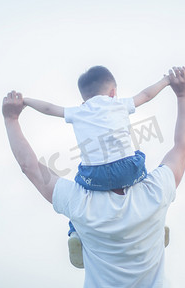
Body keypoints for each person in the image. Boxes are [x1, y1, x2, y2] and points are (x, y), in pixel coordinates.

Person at [2, 66, 185, 288]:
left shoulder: (80, 202)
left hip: (89, 203)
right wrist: (183, 95)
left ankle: (77, 235)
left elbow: (29, 167)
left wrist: (11, 119)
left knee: (76, 214)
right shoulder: (155, 190)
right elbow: (183, 146)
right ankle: (152, 231)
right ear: (113, 92)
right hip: (148, 213)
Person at [21, 66, 171, 268]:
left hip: (95, 175)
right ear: (112, 93)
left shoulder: (79, 111)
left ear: (84, 99)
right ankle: (156, 223)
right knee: (141, 166)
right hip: (127, 169)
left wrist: (26, 101)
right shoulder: (117, 104)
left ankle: (74, 233)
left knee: (78, 188)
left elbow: (49, 108)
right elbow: (146, 95)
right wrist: (166, 80)